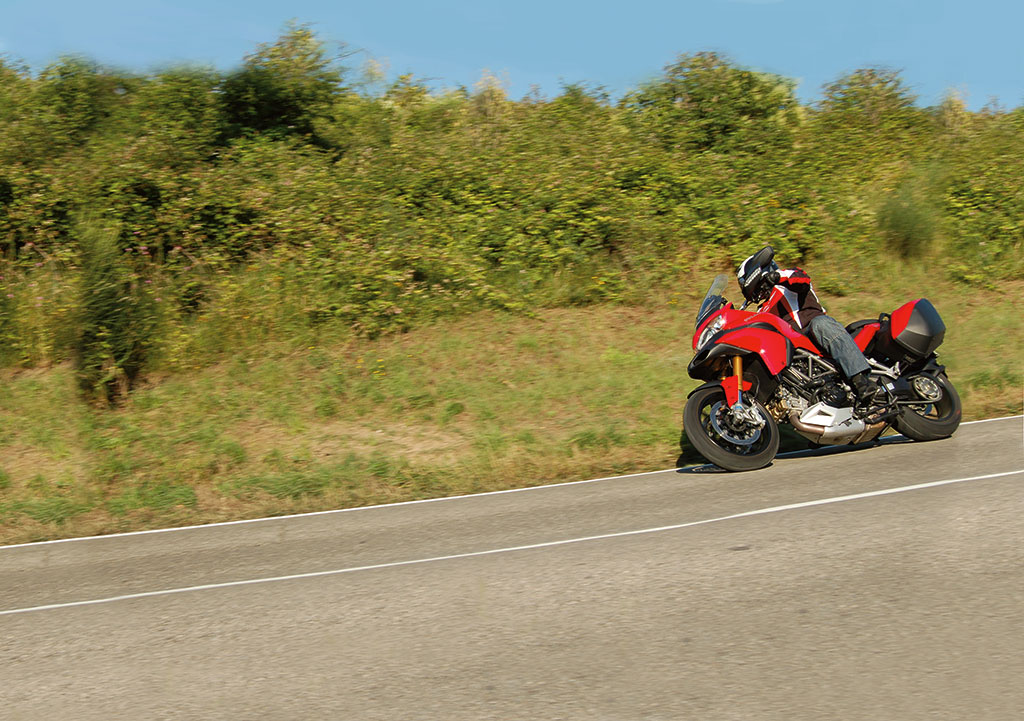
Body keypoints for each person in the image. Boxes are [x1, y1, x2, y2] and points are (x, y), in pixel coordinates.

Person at [735, 246, 884, 410]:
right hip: (794, 352)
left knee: (820, 324)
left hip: (815, 335)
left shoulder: (787, 284)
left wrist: (777, 276)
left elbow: (802, 278)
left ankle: (861, 381)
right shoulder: (761, 310)